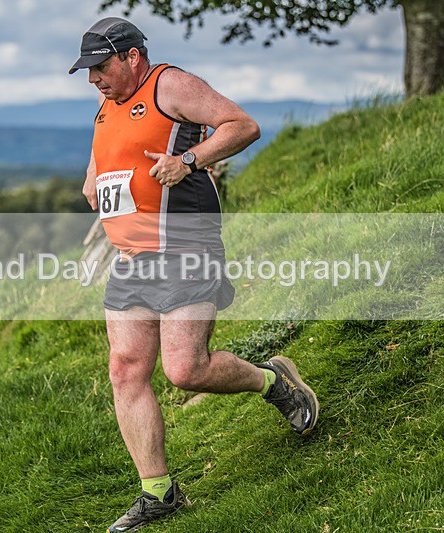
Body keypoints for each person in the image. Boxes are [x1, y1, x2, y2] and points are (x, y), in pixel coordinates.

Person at [69, 17, 319, 532]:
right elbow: (109, 158)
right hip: (131, 260)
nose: (93, 78)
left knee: (186, 370)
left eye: (100, 67)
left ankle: (275, 382)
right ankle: (158, 493)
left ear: (131, 56)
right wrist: (94, 179)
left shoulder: (171, 85)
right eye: (88, 71)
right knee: (125, 370)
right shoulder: (106, 104)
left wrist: (189, 159)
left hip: (187, 248)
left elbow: (242, 125)